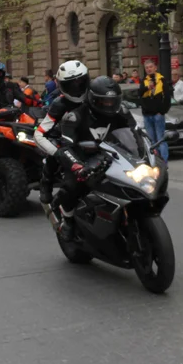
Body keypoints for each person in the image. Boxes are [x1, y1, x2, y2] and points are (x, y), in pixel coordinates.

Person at [53, 76, 139, 241]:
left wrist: (149, 152)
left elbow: (136, 134)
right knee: (71, 187)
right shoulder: (75, 117)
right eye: (104, 101)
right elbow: (65, 147)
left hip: (116, 156)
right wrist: (77, 165)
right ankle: (68, 220)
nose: (109, 104)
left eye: (112, 101)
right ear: (93, 99)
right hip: (83, 160)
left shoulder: (122, 112)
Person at [34, 60, 90, 205]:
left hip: (92, 135)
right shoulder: (59, 104)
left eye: (80, 82)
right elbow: (39, 133)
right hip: (65, 138)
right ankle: (46, 183)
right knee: (56, 149)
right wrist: (57, 153)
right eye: (70, 84)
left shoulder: (93, 96)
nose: (76, 87)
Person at [138, 59, 170, 162]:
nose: (149, 69)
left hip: (158, 114)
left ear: (155, 68)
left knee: (160, 139)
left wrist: (162, 111)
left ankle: (163, 162)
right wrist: (147, 87)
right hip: (147, 114)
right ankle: (155, 161)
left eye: (150, 67)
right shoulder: (144, 81)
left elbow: (167, 97)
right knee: (151, 140)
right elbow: (139, 94)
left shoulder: (162, 79)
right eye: (147, 68)